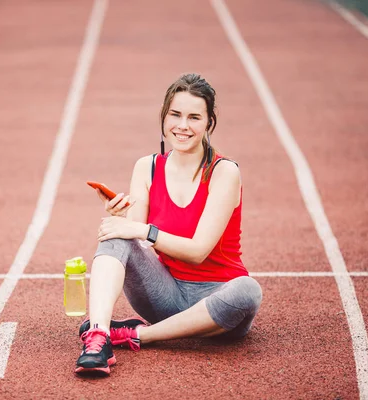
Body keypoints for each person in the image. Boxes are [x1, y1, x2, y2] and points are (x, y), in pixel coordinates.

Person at [75, 73, 263, 376]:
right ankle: (98, 336)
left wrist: (141, 229)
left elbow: (199, 251)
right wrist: (121, 217)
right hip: (164, 295)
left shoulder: (224, 172)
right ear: (164, 117)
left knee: (249, 290)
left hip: (217, 303)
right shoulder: (146, 167)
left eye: (194, 117)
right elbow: (135, 237)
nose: (183, 126)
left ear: (208, 123)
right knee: (116, 232)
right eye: (175, 114)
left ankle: (135, 335)